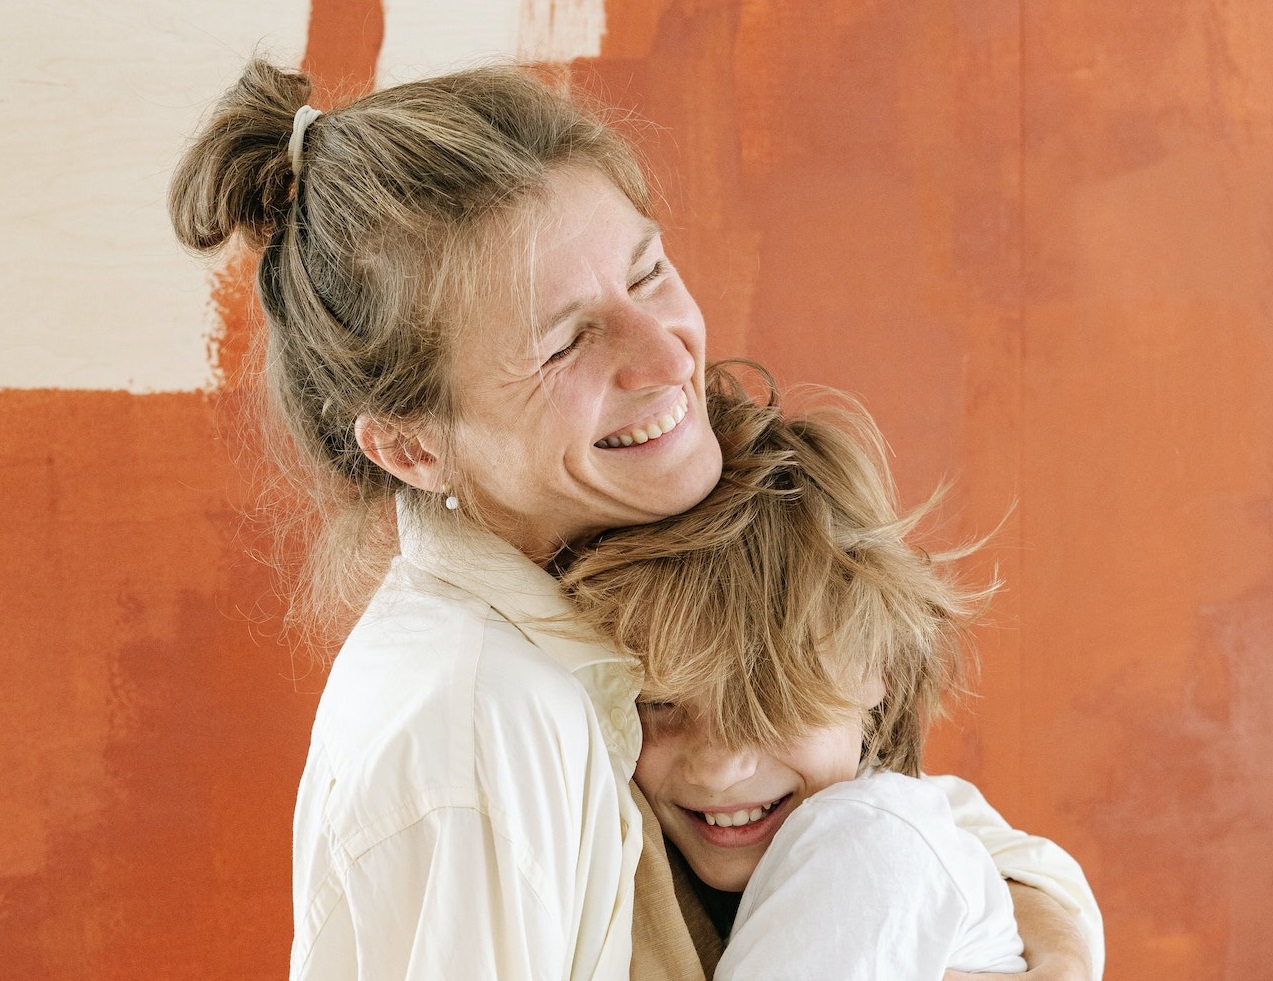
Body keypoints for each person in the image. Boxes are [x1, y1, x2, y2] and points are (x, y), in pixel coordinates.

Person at [169, 58, 1101, 980]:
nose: (667, 356)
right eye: (563, 341)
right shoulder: (485, 728)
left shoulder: (622, 551)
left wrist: (1035, 912)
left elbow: (885, 812)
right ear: (414, 448)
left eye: (647, 272)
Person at [563, 367, 1097, 978]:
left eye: (767, 700)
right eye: (659, 702)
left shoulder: (869, 836)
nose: (716, 768)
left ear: (880, 668)